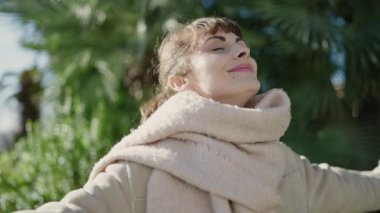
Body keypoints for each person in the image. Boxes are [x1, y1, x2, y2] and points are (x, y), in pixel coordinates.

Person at [16, 17, 380, 213]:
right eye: (218, 47)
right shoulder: (146, 166)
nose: (241, 53)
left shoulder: (286, 165)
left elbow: (366, 189)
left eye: (243, 47)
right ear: (179, 81)